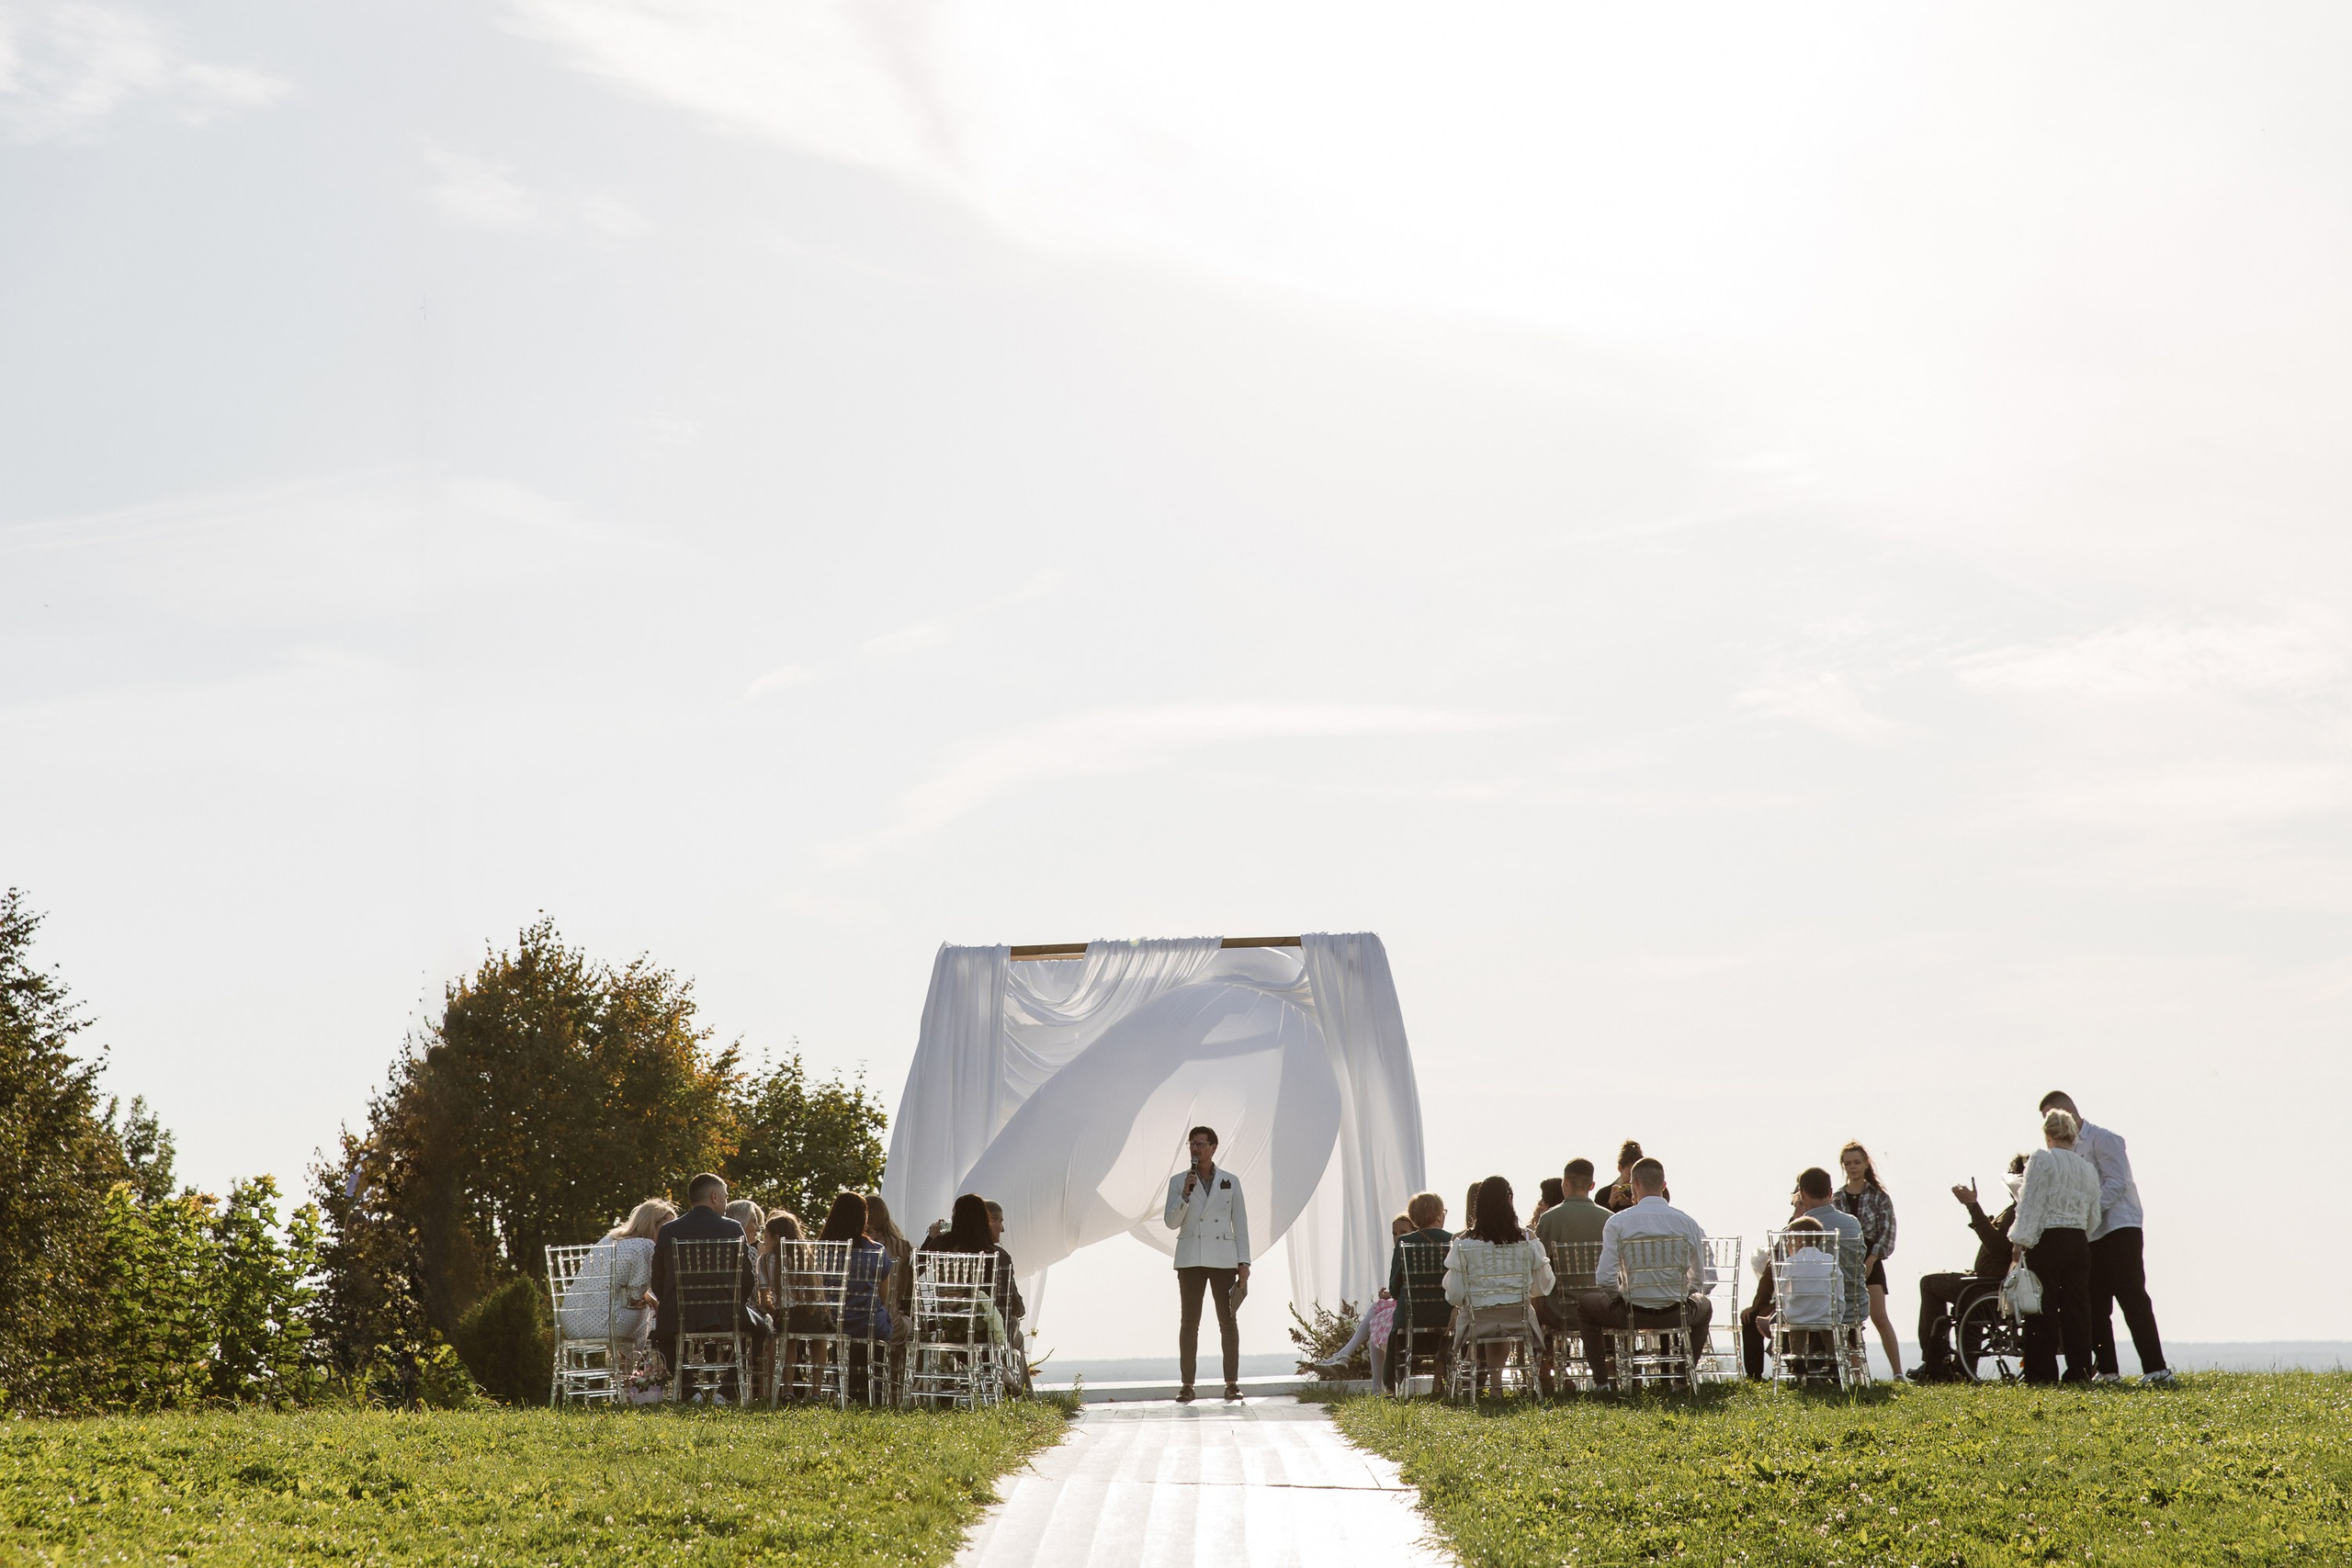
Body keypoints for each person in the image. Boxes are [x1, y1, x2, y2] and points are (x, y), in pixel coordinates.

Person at [2040, 1090, 2172, 1386]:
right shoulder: (2065, 1151)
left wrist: (2088, 1211)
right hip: (2089, 1235)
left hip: (2120, 1227)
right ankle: (2108, 1371)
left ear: (2066, 1110)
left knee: (2132, 1297)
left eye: (2051, 1116)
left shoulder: (2104, 1139)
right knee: (2095, 1304)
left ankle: (2156, 1369)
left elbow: (2116, 1183)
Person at [1577, 1157, 1713, 1389]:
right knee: (1705, 1306)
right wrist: (1680, 1295)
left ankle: (1602, 1382)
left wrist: (1618, 1297)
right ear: (1663, 1185)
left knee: (1585, 1306)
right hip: (1675, 1312)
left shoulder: (1618, 1222)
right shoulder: (1687, 1223)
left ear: (1634, 1184)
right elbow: (1698, 1279)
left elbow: (1604, 1279)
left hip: (1632, 1312)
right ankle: (1681, 1378)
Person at [1910, 1155, 2025, 1382]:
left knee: (1930, 1284)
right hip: (1989, 1283)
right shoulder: (2022, 1210)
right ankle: (1962, 1367)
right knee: (1969, 1302)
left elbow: (1999, 1247)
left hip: (1990, 1285)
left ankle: (1934, 1361)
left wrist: (1973, 1207)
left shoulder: (2017, 1211)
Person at [652, 1172, 765, 1402]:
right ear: (714, 1196)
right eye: (725, 1197)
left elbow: (658, 1281)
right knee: (762, 1329)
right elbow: (747, 1279)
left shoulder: (669, 1231)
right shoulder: (733, 1229)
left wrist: (671, 1302)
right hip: (725, 1311)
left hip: (678, 1313)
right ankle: (726, 1390)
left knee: (660, 1332)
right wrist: (736, 1303)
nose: (725, 1203)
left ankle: (689, 1389)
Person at [1740, 1168, 1862, 1379]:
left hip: (1808, 1310)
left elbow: (1776, 1275)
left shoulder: (1795, 1230)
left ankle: (1769, 1373)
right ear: (1831, 1192)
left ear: (1802, 1195)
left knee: (1756, 1315)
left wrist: (1758, 1305)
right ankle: (1823, 1365)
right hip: (1850, 1307)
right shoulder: (1853, 1224)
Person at [2011, 1107, 2102, 1384]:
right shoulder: (2087, 1169)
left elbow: (2030, 1203)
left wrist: (2020, 1241)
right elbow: (2094, 1214)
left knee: (2042, 1308)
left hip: (2048, 1241)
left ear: (2048, 1135)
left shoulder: (2042, 1160)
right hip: (2077, 1242)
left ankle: (2041, 1373)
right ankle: (2079, 1372)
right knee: (2077, 1310)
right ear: (2073, 1137)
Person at [1162, 1125, 1250, 1403]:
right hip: (1191, 1258)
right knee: (1189, 1323)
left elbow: (1241, 1224)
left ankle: (1232, 1383)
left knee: (1228, 1321)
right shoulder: (1179, 1181)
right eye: (1192, 1144)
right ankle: (1187, 1384)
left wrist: (1244, 1261)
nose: (1196, 1149)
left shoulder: (1231, 1181)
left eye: (1201, 1144)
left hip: (1223, 1258)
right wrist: (1185, 1196)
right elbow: (1170, 1221)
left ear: (1214, 1147)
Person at [1442, 1176, 1555, 1393]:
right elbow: (1543, 1286)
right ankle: (1496, 1387)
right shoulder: (1527, 1239)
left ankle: (1495, 1387)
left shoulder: (1464, 1243)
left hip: (1478, 1317)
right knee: (1503, 1315)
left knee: (1491, 1315)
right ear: (1509, 1200)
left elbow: (1455, 1294)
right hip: (1517, 1315)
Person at [561, 1198, 673, 1372]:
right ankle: (629, 1377)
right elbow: (636, 1295)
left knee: (636, 1306)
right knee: (647, 1313)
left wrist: (643, 1295)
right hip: (604, 1324)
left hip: (571, 1320)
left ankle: (623, 1380)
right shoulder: (646, 1245)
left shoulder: (610, 1238)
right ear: (652, 1225)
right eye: (666, 1228)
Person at [1532, 1158, 1610, 1387]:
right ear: (1592, 1186)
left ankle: (1547, 1375)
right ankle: (1608, 1371)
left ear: (1564, 1183)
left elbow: (1538, 1265)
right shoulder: (1608, 1218)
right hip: (1600, 1308)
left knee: (1533, 1305)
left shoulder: (1550, 1218)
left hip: (1560, 1309)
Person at [1834, 1141, 1903, 1380]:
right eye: (1848, 1163)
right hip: (1844, 1260)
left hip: (1871, 1256)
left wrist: (1872, 1260)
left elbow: (1888, 1232)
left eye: (1856, 1162)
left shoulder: (1879, 1196)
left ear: (1865, 1164)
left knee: (1879, 1316)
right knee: (1849, 1320)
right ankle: (1855, 1376)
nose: (1852, 1167)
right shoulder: (1837, 1198)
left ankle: (1897, 1372)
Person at [1314, 1213, 1414, 1375]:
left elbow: (1401, 1287)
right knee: (1376, 1311)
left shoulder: (1406, 1252)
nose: (1397, 1237)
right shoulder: (1402, 1252)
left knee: (1376, 1318)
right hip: (1407, 1305)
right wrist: (1390, 1294)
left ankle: (1345, 1356)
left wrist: (1391, 1293)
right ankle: (1344, 1355)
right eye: (1395, 1233)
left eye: (1403, 1232)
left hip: (1409, 1311)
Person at [818, 1191, 893, 1401]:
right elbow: (884, 1296)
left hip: (833, 1323)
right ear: (863, 1218)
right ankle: (872, 1392)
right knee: (878, 1320)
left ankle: (843, 1389)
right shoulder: (876, 1251)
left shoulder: (821, 1251)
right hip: (869, 1323)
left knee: (840, 1330)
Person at [1384, 1191, 1453, 1391]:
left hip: (1411, 1316)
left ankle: (1392, 1386)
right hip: (1447, 1316)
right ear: (1439, 1215)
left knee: (1397, 1331)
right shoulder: (1454, 1241)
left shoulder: (1404, 1243)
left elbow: (1394, 1288)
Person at [1598, 1141, 1669, 1213]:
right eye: (1630, 1175)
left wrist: (1635, 1203)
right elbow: (1599, 1220)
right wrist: (1610, 1204)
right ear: (1620, 1168)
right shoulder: (1604, 1194)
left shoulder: (1655, 1190)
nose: (1632, 1180)